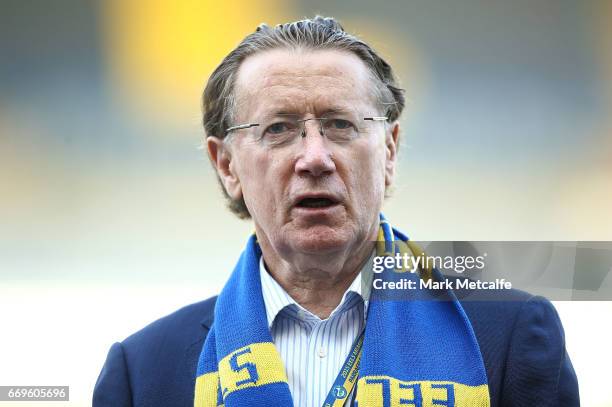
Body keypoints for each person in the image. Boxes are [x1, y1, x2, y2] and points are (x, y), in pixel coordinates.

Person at [93, 16, 579, 407]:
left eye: (341, 125)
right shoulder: (144, 372)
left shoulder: (513, 334)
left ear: (389, 151)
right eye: (279, 128)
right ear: (226, 166)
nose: (315, 157)